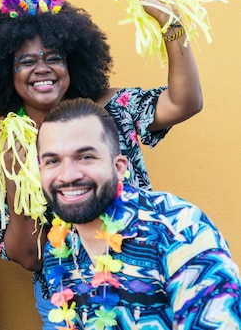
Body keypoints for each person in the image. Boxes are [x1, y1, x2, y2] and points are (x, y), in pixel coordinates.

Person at [0, 0, 203, 328]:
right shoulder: (2, 150)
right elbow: (28, 257)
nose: (42, 69)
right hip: (63, 299)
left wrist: (171, 25)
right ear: (7, 72)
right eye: (26, 61)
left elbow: (184, 103)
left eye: (54, 58)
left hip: (141, 275)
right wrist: (19, 180)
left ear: (73, 62)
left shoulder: (111, 109)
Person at [36, 97, 241, 329]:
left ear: (119, 167)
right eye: (53, 161)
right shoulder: (59, 251)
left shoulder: (177, 228)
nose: (68, 175)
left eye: (85, 157)